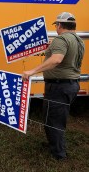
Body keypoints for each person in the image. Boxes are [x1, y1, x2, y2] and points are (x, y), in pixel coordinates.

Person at [22, 12, 85, 160]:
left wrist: (32, 71)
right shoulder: (78, 40)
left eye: (56, 26)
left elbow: (56, 60)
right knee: (55, 117)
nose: (56, 28)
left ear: (60, 25)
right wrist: (53, 46)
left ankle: (58, 154)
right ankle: (54, 144)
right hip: (71, 85)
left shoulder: (61, 39)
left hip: (59, 87)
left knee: (54, 121)